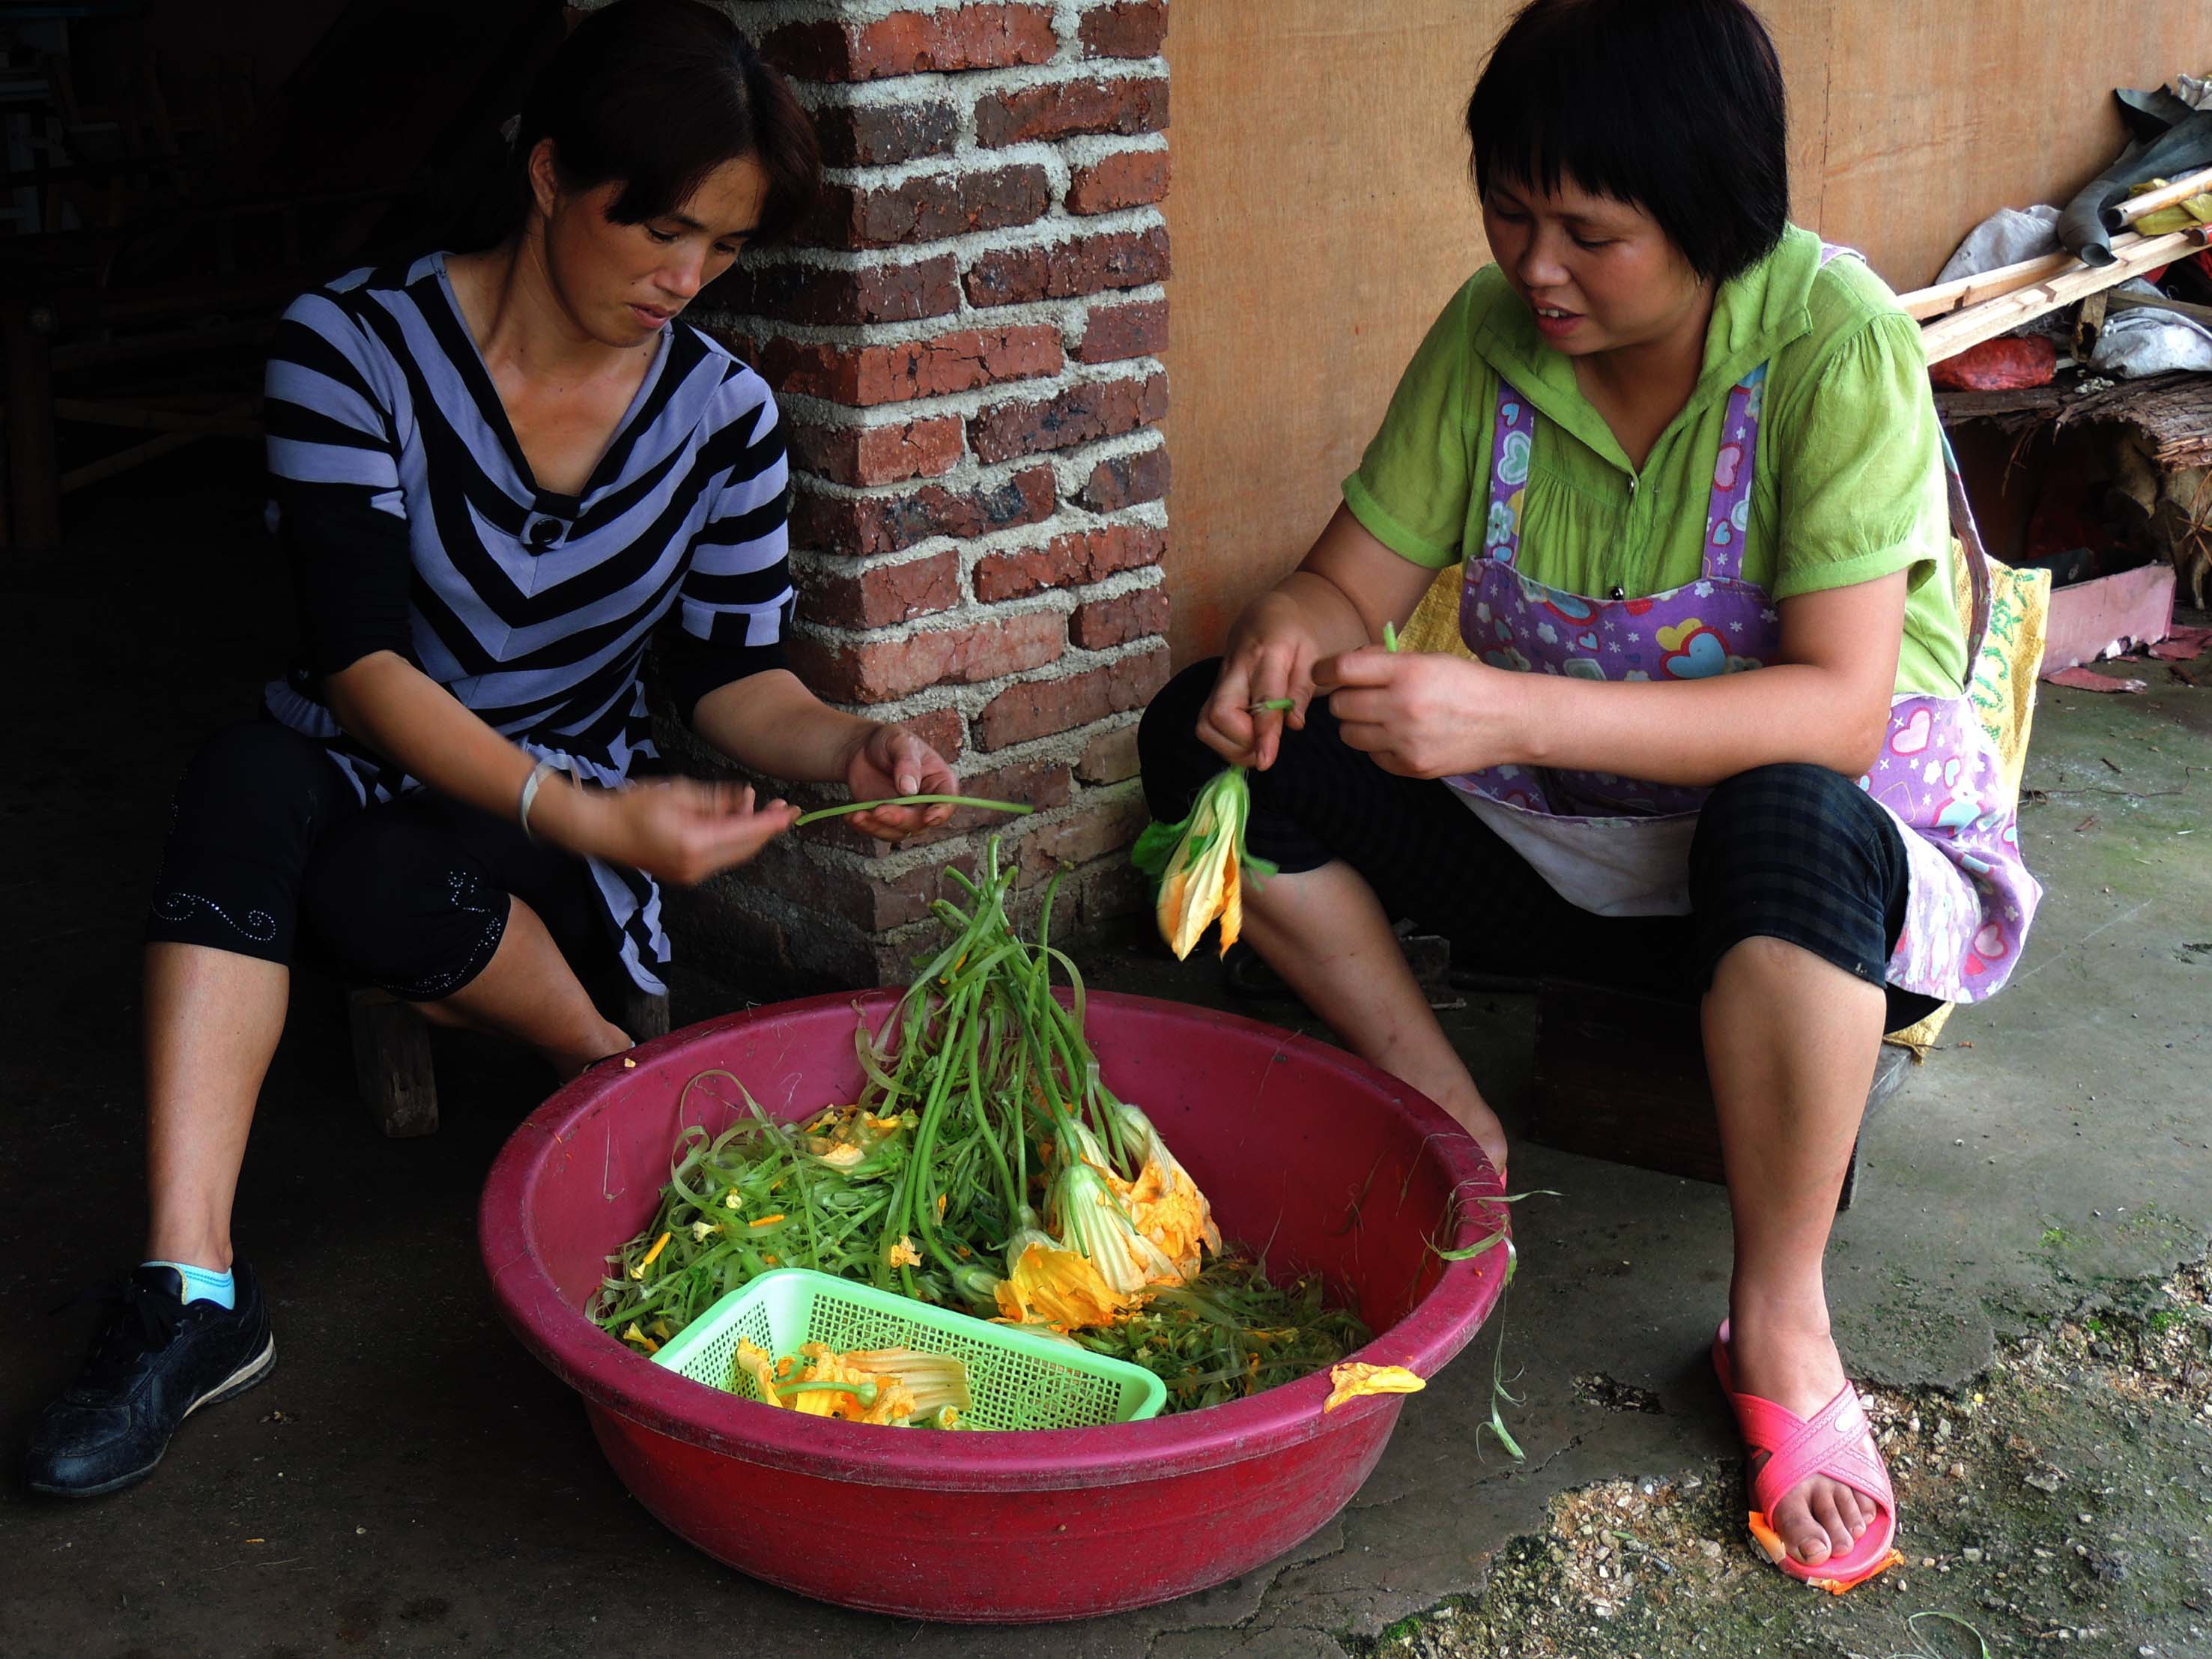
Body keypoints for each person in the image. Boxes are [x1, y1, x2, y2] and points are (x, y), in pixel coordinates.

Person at [1139, 0, 2037, 1593]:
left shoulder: (1832, 342)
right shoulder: (1489, 333)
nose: (1534, 266)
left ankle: (1778, 1319)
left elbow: (1835, 711)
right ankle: (1455, 1125)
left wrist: (1497, 708)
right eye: (1509, 211)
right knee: (1202, 747)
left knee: (1780, 805)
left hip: (1801, 895)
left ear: (1714, 222)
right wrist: (1281, 646)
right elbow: (1342, 584)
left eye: (1589, 233)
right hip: (1555, 843)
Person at [26, 0, 957, 1498]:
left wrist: (847, 746)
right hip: (406, 765)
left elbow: (733, 681)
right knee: (258, 784)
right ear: (544, 176)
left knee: (383, 880)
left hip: (549, 813)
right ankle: (193, 1291)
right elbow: (366, 659)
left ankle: (590, 1049)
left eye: (721, 248)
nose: (684, 278)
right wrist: (594, 817)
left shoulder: (723, 416)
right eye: (653, 226)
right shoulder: (355, 349)